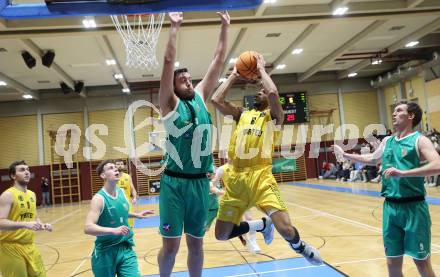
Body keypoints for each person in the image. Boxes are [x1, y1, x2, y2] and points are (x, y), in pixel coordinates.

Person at [211, 55, 322, 265]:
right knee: (222, 234)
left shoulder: (274, 118)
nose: (260, 92)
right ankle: (260, 225)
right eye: (258, 90)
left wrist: (261, 69)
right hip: (235, 180)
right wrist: (234, 74)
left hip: (261, 178)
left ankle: (300, 247)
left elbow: (272, 92)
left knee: (286, 229)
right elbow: (216, 100)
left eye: (261, 91)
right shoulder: (241, 114)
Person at [157, 11, 230, 277]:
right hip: (175, 183)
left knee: (197, 246)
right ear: (174, 87)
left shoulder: (199, 96)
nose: (188, 81)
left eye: (189, 78)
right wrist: (174, 26)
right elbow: (167, 61)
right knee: (172, 247)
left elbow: (218, 60)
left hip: (200, 183)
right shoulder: (169, 104)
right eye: (182, 80)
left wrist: (224, 26)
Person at [332, 101, 440, 277]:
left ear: (411, 116)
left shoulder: (420, 140)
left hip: (414, 208)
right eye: (394, 111)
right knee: (392, 263)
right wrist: (344, 154)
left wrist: (404, 173)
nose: (394, 114)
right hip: (390, 209)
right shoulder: (388, 141)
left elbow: (437, 164)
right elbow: (372, 159)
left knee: (421, 263)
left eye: (399, 111)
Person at [84, 160, 154, 277]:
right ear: (103, 175)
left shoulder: (121, 192)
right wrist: (113, 230)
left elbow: (119, 213)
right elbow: (88, 227)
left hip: (125, 247)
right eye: (111, 168)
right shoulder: (99, 199)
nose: (116, 169)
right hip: (105, 252)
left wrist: (137, 215)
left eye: (115, 167)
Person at [0, 160, 53, 277]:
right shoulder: (7, 195)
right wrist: (24, 224)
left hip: (30, 245)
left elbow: (34, 217)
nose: (27, 172)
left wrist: (43, 225)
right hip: (10, 247)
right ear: (13, 175)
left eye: (28, 170)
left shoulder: (32, 194)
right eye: (22, 170)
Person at [115, 159, 138, 227]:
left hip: (127, 203)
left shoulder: (128, 176)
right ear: (115, 166)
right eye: (118, 164)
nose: (120, 165)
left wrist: (134, 198)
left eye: (121, 164)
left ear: (124, 166)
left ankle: (129, 236)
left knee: (129, 224)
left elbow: (133, 189)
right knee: (118, 224)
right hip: (116, 203)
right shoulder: (112, 177)